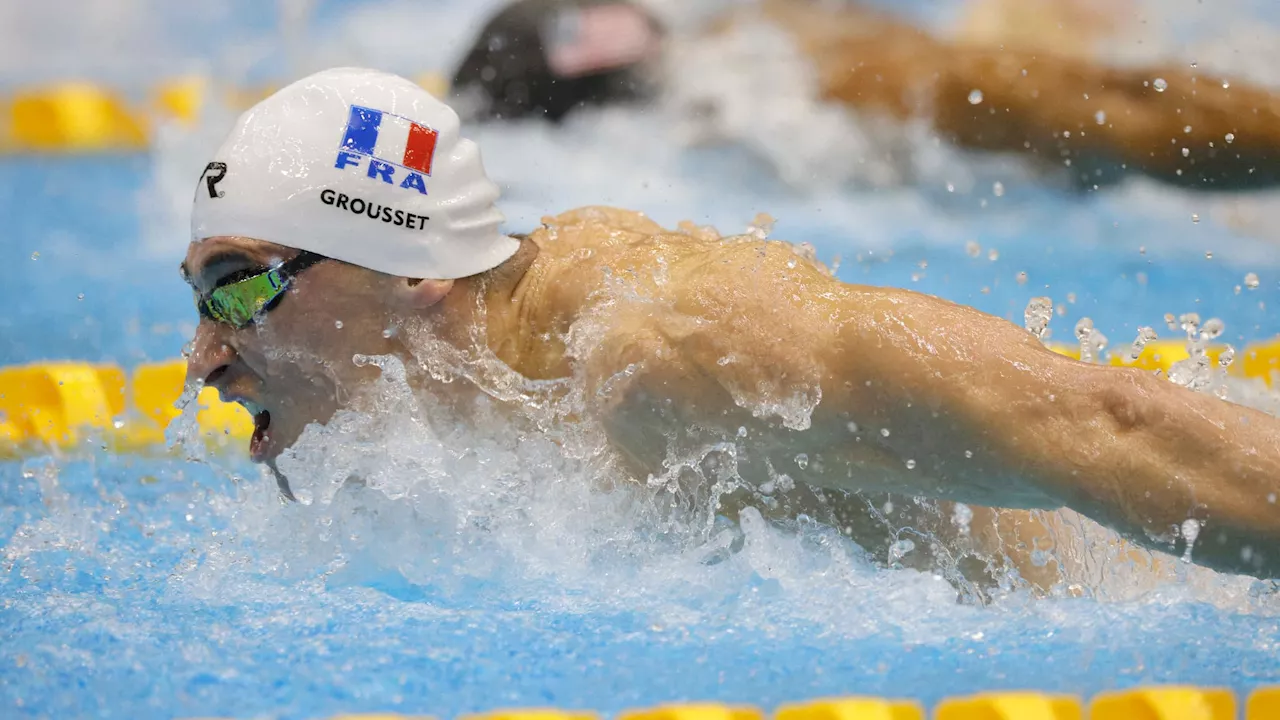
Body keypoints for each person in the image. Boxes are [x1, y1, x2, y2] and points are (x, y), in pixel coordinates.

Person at [183, 67, 1280, 588]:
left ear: (411, 269)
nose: (204, 356)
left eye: (236, 287)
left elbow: (1112, 425)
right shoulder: (462, 400)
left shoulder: (664, 351)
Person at [452, 0, 1280, 191]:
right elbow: (1126, 108)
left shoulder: (739, 50)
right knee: (1104, 98)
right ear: (595, 40)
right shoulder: (780, 78)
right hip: (920, 102)